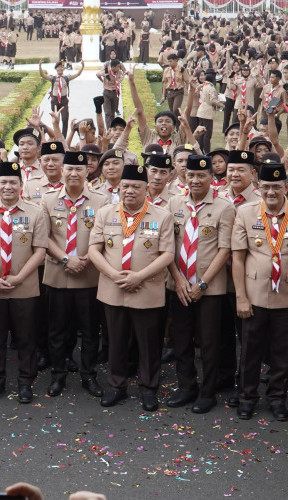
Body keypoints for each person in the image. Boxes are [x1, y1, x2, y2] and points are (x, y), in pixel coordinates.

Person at [231, 162, 288, 421]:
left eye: (276, 187)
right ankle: (247, 397)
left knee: (282, 353)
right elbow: (237, 258)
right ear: (258, 186)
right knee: (250, 352)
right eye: (266, 186)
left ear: (286, 187)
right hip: (254, 295)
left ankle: (277, 398)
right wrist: (241, 297)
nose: (271, 192)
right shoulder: (245, 213)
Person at [87, 163, 175, 412]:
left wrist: (140, 277)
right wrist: (114, 274)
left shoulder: (162, 216)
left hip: (146, 290)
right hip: (113, 288)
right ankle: (116, 386)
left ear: (146, 189)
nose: (130, 191)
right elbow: (94, 250)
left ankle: (149, 388)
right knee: (115, 341)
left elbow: (167, 254)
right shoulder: (106, 213)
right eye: (125, 186)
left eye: (136, 187)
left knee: (148, 343)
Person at [0, 161, 48, 404]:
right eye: (3, 182)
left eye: (12, 182)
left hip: (24, 287)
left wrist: (19, 277)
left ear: (20, 185)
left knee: (26, 339)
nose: (7, 187)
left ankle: (26, 383)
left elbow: (40, 251)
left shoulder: (35, 212)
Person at [165, 155, 235, 414]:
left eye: (201, 176)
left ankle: (207, 392)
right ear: (185, 176)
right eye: (191, 175)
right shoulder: (174, 203)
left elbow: (224, 249)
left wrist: (203, 284)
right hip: (180, 286)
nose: (195, 180)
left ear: (211, 178)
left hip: (210, 289)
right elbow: (167, 246)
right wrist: (179, 279)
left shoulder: (224, 207)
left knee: (209, 342)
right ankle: (186, 387)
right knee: (181, 341)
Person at [42, 151, 108, 397]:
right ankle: (58, 375)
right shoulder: (48, 200)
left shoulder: (101, 201)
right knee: (57, 331)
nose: (73, 173)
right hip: (58, 275)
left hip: (88, 275)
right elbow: (44, 236)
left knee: (91, 331)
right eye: (68, 168)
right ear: (61, 170)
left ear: (87, 171)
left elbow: (103, 238)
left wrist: (85, 260)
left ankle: (88, 376)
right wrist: (65, 258)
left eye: (78, 169)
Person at [38, 60, 85, 137]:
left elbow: (77, 74)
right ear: (56, 69)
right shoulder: (52, 78)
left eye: (62, 67)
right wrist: (40, 66)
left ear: (63, 68)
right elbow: (43, 75)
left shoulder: (67, 78)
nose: (60, 68)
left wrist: (82, 66)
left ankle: (63, 137)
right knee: (56, 120)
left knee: (65, 119)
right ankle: (56, 135)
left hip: (64, 100)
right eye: (58, 67)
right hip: (55, 101)